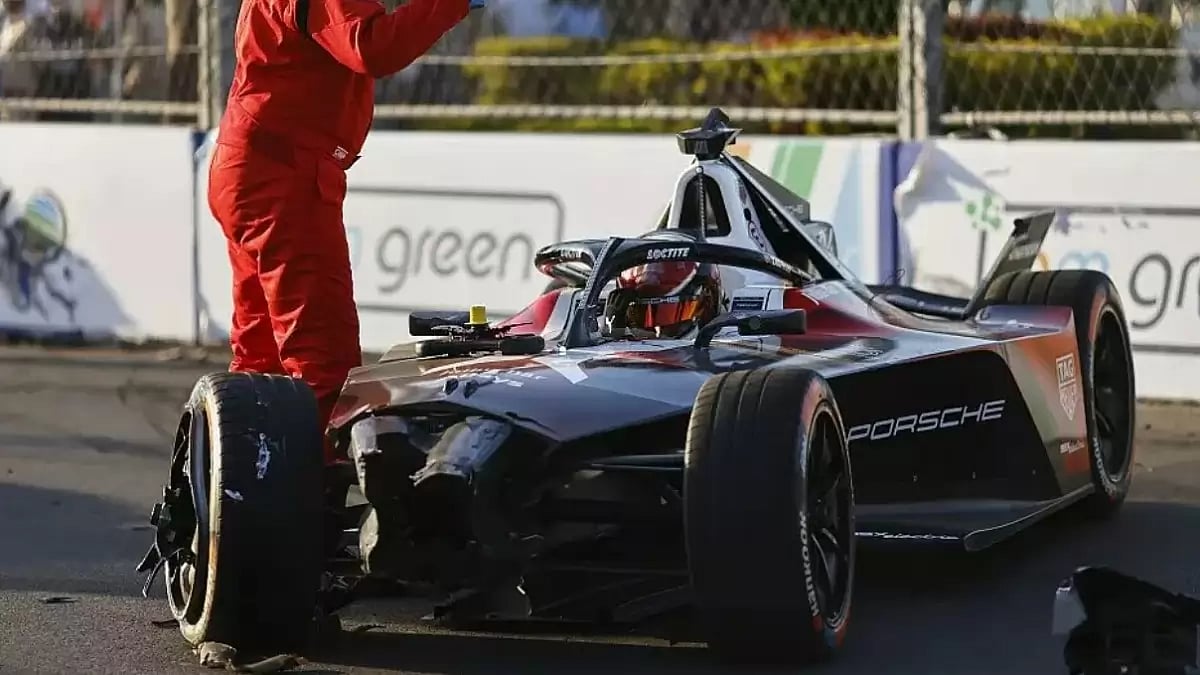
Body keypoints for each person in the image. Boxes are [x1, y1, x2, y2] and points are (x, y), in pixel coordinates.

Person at [207, 0, 485, 462]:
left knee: (262, 358)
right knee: (323, 364)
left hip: (253, 165)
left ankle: (245, 496)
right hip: (282, 179)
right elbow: (371, 48)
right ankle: (311, 509)